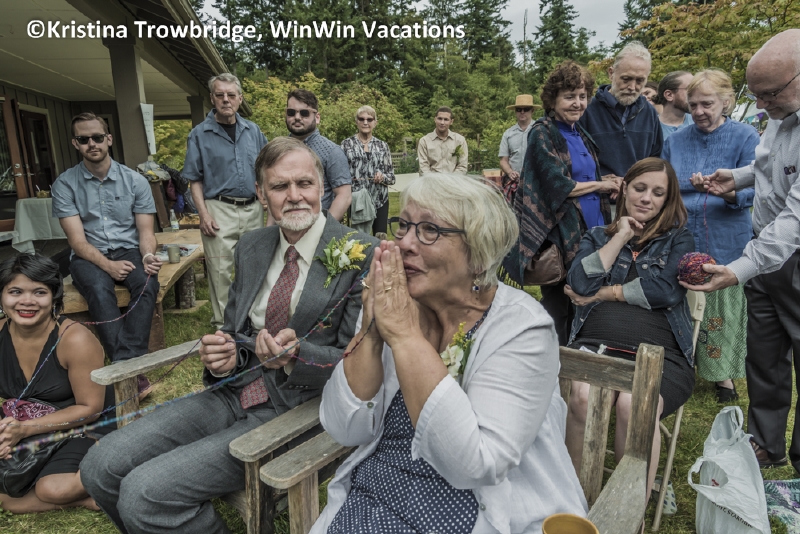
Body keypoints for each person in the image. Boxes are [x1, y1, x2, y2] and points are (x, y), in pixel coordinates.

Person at [80, 137, 378, 532]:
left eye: (304, 183)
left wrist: (295, 356)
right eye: (279, 186)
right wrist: (224, 356)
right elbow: (234, 331)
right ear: (261, 194)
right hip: (232, 390)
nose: (294, 196)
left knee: (144, 495)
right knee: (99, 467)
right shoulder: (252, 245)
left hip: (297, 409)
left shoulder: (362, 253)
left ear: (321, 186)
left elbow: (361, 367)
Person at [310, 173, 587, 534]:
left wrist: (405, 337)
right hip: (378, 493)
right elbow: (344, 427)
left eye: (430, 230)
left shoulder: (522, 328)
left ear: (479, 254)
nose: (405, 243)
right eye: (403, 225)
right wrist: (371, 333)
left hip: (473, 510)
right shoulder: (397, 305)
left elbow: (474, 465)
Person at [689, 29, 800, 472]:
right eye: (755, 95)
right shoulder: (780, 112)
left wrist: (739, 268)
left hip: (791, 255)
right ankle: (766, 444)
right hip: (764, 253)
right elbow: (773, 165)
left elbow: (795, 219)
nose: (761, 105)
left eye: (769, 94)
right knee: (764, 354)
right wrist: (738, 177)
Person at [563, 157, 695, 497]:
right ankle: (573, 498)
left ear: (667, 199)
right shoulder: (597, 236)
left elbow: (667, 290)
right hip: (596, 344)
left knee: (634, 405)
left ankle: (629, 507)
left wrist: (602, 294)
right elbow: (579, 282)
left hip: (661, 354)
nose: (647, 198)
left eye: (658, 193)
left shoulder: (679, 239)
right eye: (640, 188)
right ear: (624, 189)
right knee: (583, 397)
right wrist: (620, 236)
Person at [503, 61, 618, 345]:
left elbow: (583, 175)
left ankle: (583, 356)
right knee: (560, 307)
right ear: (552, 100)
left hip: (592, 229)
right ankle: (552, 361)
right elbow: (559, 186)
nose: (578, 103)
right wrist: (602, 185)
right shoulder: (542, 132)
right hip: (560, 233)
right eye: (569, 96)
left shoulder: (581, 133)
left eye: (582, 96)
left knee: (588, 300)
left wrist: (609, 181)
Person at [662, 69, 759, 402]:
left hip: (726, 235)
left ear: (726, 101)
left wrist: (726, 192)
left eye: (707, 104)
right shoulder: (675, 141)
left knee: (720, 307)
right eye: (694, 105)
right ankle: (681, 364)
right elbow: (665, 185)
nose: (699, 111)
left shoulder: (745, 136)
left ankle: (722, 376)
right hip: (682, 233)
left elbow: (756, 188)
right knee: (682, 301)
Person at [51, 112, 160, 395]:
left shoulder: (135, 181)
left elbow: (146, 233)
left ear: (108, 139)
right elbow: (77, 241)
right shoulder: (65, 184)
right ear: (75, 144)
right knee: (99, 291)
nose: (92, 144)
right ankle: (131, 371)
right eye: (83, 139)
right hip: (89, 255)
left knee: (147, 282)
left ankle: (124, 364)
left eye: (98, 137)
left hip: (130, 250)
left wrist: (148, 256)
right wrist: (108, 266)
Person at [0, 254, 114, 513]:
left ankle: (107, 473)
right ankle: (86, 497)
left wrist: (24, 430)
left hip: (85, 423)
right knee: (7, 496)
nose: (27, 301)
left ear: (54, 297)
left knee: (52, 489)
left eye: (39, 292)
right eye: (15, 291)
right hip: (27, 420)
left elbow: (90, 408)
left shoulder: (75, 340)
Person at [184, 73, 268, 330]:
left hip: (253, 208)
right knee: (220, 270)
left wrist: (266, 200)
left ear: (240, 98)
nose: (226, 100)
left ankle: (254, 320)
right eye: (220, 95)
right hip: (218, 209)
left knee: (256, 266)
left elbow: (266, 168)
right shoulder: (199, 134)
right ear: (212, 98)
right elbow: (194, 179)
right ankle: (224, 325)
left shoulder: (253, 131)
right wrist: (203, 214)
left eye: (231, 95)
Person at [579, 41, 663, 183]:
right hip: (597, 193)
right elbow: (574, 160)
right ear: (611, 73)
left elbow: (655, 159)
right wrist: (599, 181)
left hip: (637, 193)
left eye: (640, 81)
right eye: (626, 79)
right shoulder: (586, 109)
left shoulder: (649, 112)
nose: (632, 87)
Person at [285, 88, 352, 222]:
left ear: (317, 117)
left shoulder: (331, 151)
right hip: (285, 226)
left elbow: (344, 196)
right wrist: (270, 230)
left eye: (304, 113)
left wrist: (325, 228)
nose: (297, 117)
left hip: (317, 225)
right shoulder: (279, 150)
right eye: (291, 112)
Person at [340, 105, 396, 235]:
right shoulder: (346, 145)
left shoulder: (382, 146)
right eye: (362, 119)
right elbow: (340, 175)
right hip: (356, 201)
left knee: (380, 237)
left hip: (380, 199)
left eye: (369, 119)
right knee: (357, 240)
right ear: (356, 121)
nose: (365, 122)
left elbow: (392, 178)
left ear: (375, 123)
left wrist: (382, 177)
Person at [498, 94, 539, 182]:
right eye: (519, 109)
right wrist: (510, 172)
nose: (522, 112)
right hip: (515, 181)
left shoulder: (540, 130)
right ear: (515, 111)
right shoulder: (508, 134)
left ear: (532, 111)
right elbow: (503, 160)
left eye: (526, 109)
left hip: (537, 181)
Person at [417, 107, 469, 174]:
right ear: (435, 119)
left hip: (453, 179)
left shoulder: (460, 141)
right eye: (440, 118)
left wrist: (451, 179)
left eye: (446, 119)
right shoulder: (424, 141)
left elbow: (462, 166)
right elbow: (424, 168)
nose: (442, 122)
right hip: (431, 179)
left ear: (451, 121)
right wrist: (434, 180)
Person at [655, 71, 694, 140]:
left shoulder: (700, 123)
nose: (695, 94)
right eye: (690, 89)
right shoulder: (650, 129)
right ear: (669, 95)